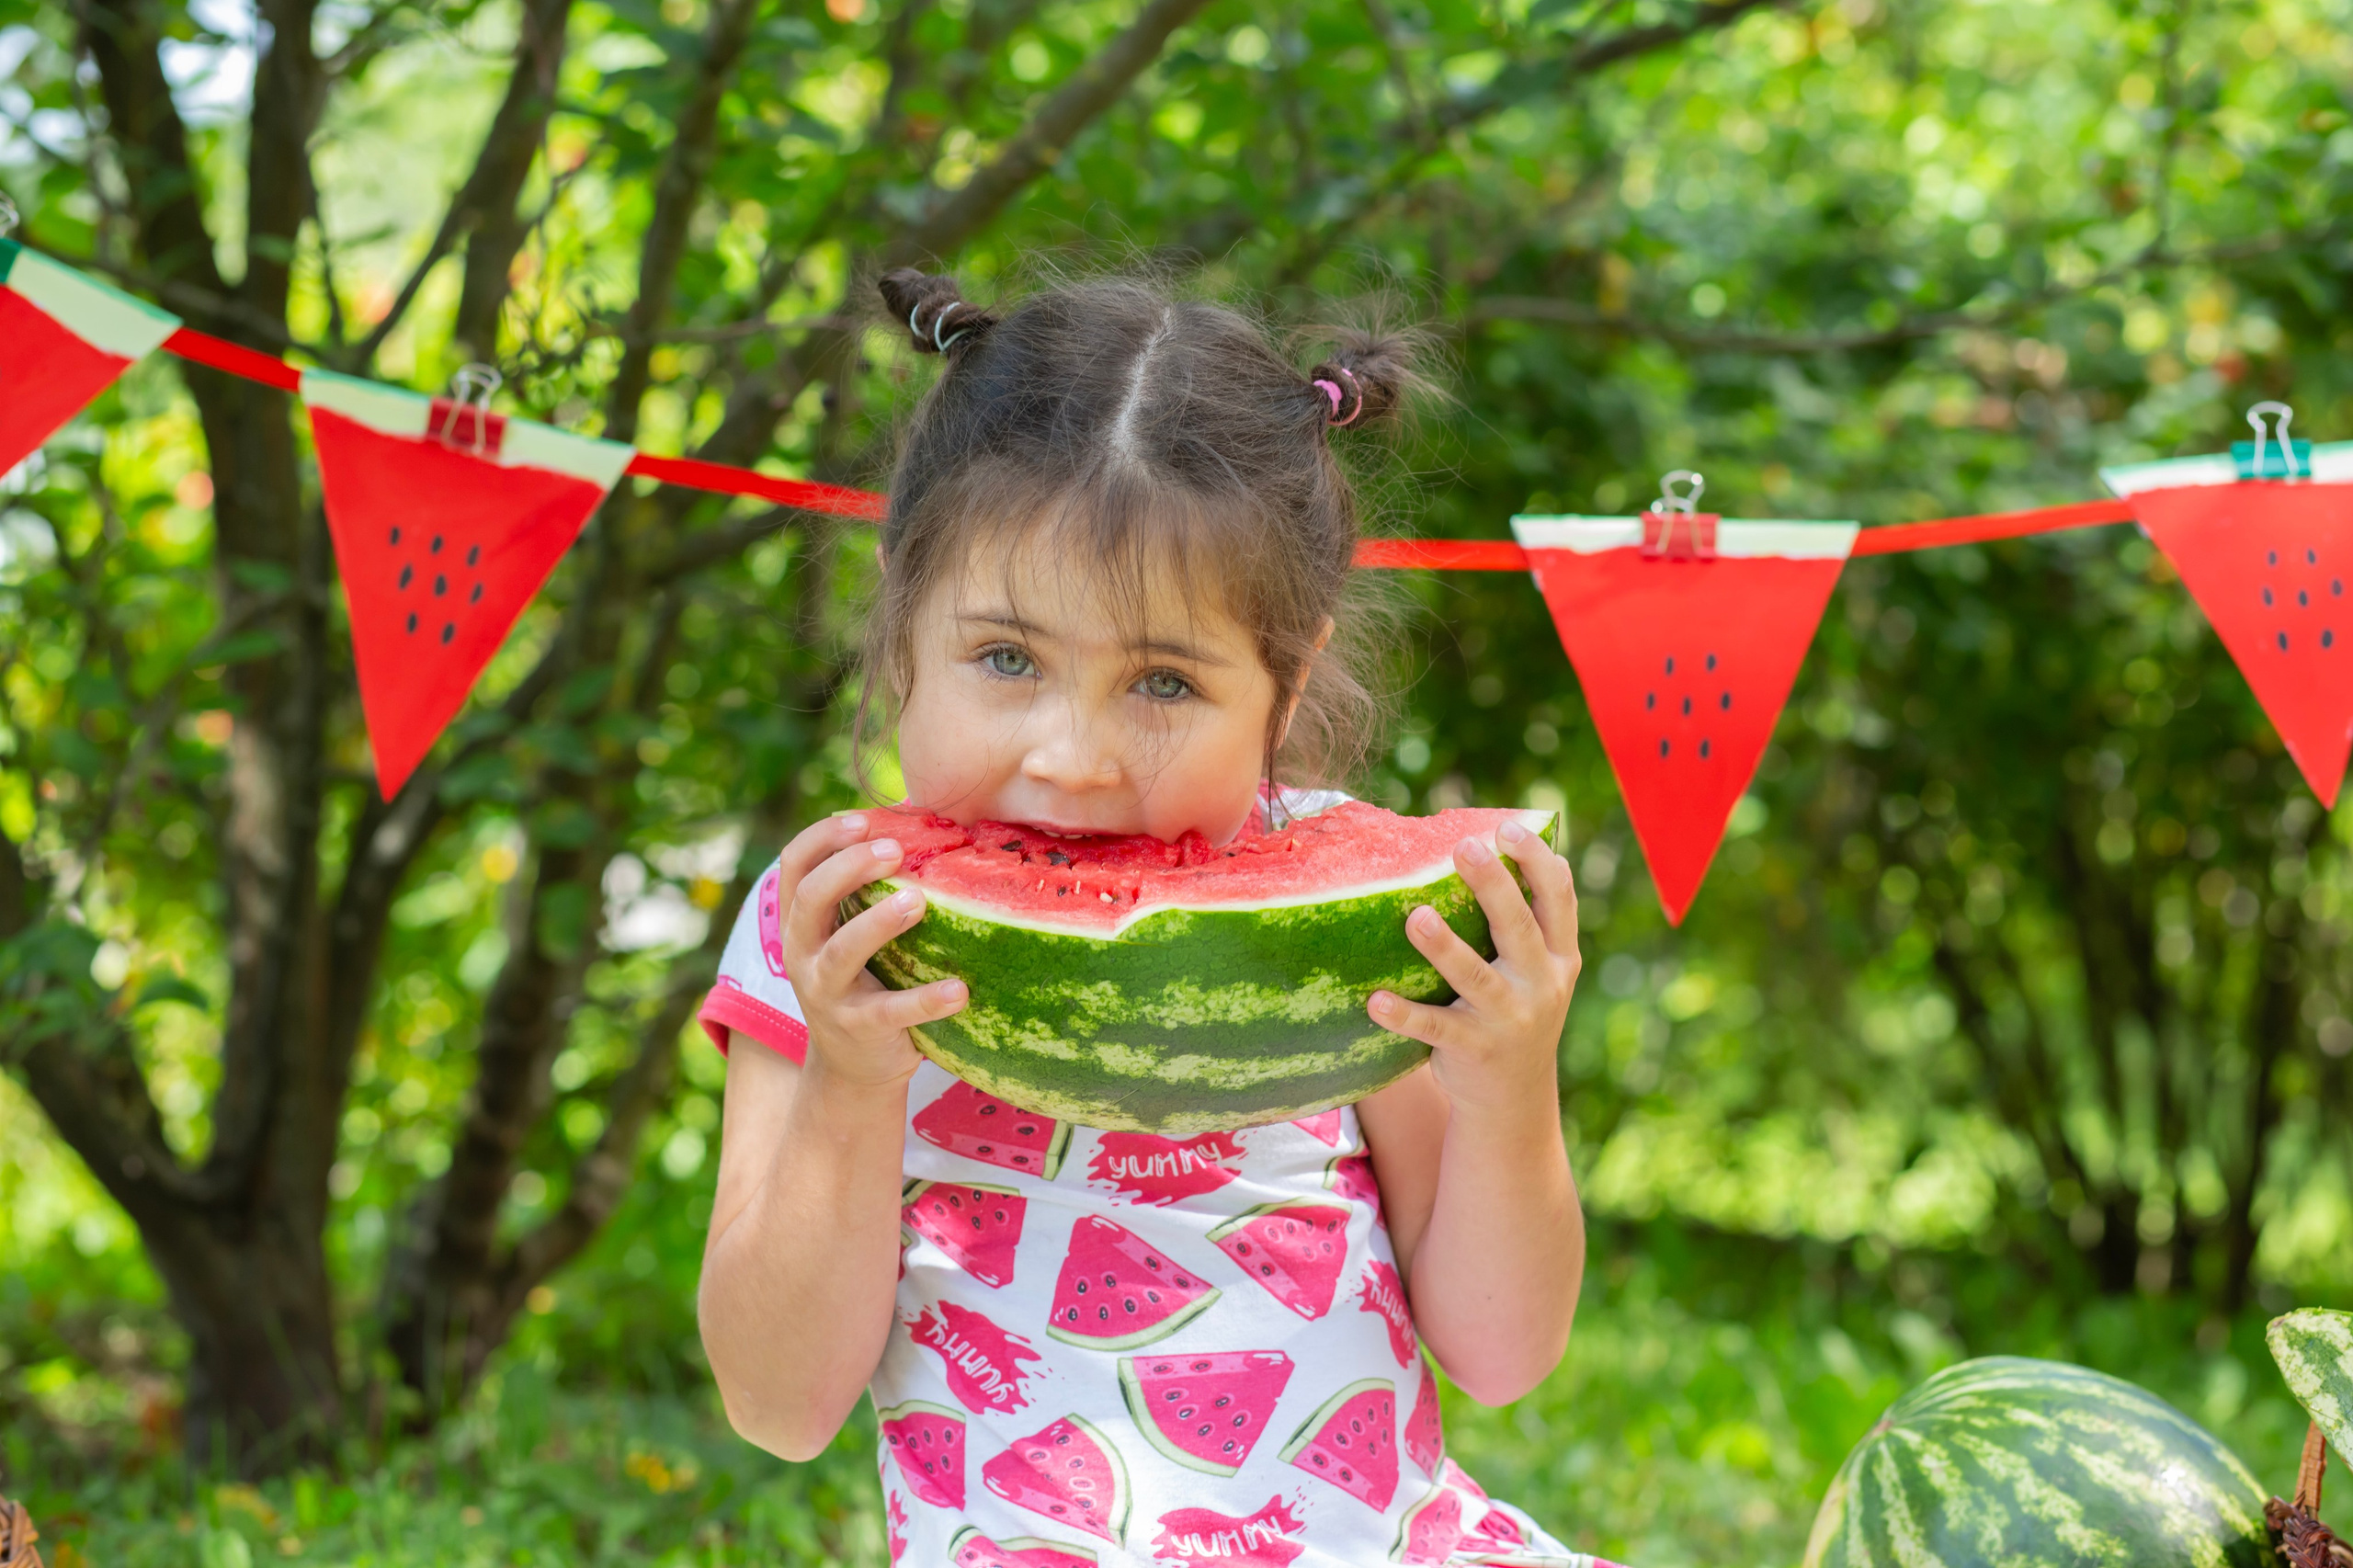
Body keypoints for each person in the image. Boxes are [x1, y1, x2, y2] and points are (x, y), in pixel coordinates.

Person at [695, 270, 1598, 1566]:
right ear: (901, 613)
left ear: (1283, 694)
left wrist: (1509, 1089)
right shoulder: (830, 924)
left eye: (1164, 680)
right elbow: (777, 1406)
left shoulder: (1370, 922)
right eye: (1008, 657)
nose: (1073, 757)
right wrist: (851, 1080)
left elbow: (1504, 1355)